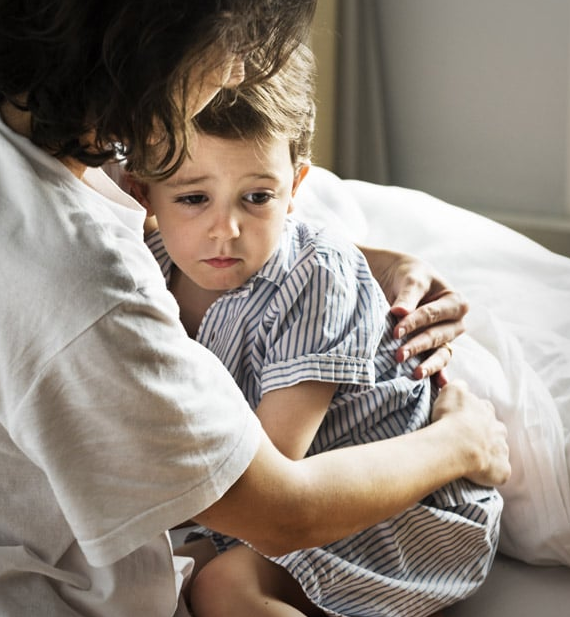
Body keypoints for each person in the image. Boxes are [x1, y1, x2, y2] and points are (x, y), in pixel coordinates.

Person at [0, 1, 511, 615]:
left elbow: (164, 225)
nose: (238, 68)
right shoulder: (84, 292)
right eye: (226, 42)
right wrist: (459, 441)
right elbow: (285, 511)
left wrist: (359, 259)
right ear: (147, 46)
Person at [129, 44, 502, 617]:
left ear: (296, 186)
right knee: (152, 585)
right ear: (143, 193)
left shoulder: (313, 274)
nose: (225, 229)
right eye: (193, 198)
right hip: (271, 507)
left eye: (257, 197)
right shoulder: (144, 267)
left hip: (398, 506)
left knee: (222, 588)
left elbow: (269, 468)